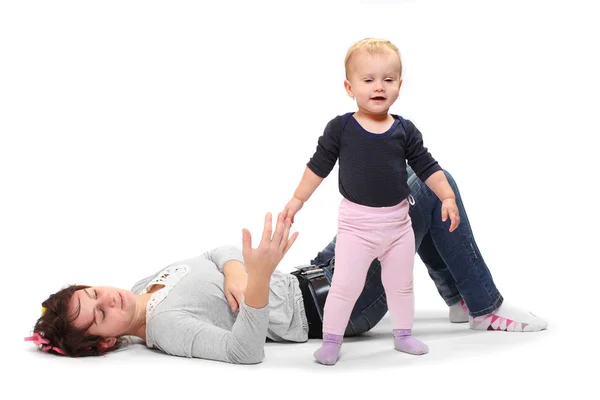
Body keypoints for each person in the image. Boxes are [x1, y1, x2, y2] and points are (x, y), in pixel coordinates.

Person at [24, 169, 548, 365]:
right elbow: (243, 351)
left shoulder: (144, 287)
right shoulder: (166, 327)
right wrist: (253, 285)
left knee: (410, 199)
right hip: (329, 308)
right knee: (423, 191)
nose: (105, 303)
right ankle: (483, 306)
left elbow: (214, 253)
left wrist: (235, 270)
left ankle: (459, 301)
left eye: (92, 294)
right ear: (105, 342)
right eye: (96, 318)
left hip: (315, 271)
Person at [283, 37, 460, 365]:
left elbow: (427, 166)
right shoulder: (341, 128)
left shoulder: (404, 130)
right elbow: (318, 166)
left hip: (397, 226)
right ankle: (332, 340)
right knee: (344, 287)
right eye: (368, 80)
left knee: (402, 286)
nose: (378, 87)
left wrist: (447, 196)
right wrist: (297, 200)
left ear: (399, 86)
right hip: (356, 228)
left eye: (387, 80)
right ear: (350, 87)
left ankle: (403, 335)